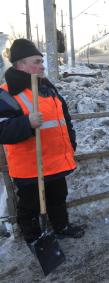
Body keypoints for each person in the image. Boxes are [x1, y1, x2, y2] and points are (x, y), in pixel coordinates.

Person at [0, 38, 84, 244]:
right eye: (36, 61)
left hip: (55, 160)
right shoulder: (6, 93)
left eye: (41, 61)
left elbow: (64, 119)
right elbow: (2, 130)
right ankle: (35, 239)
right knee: (29, 205)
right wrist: (26, 123)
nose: (42, 65)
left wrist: (70, 143)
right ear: (20, 64)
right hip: (30, 166)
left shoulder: (46, 87)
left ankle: (61, 227)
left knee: (58, 197)